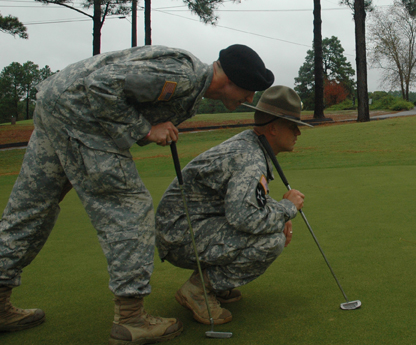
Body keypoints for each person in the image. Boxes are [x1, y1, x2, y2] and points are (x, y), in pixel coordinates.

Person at [0, 44, 274, 344]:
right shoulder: (183, 75)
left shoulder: (192, 86)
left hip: (60, 107)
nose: (250, 99)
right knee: (129, 207)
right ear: (230, 80)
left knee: (32, 207)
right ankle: (131, 320)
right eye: (248, 91)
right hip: (78, 114)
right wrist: (144, 130)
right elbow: (100, 85)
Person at [155, 85, 309, 325]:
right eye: (293, 126)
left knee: (273, 227)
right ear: (274, 128)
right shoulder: (249, 158)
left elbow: (249, 200)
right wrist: (287, 209)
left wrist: (279, 215)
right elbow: (245, 218)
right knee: (272, 240)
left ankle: (213, 284)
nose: (298, 133)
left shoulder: (252, 146)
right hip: (180, 234)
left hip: (189, 226)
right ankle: (198, 290)